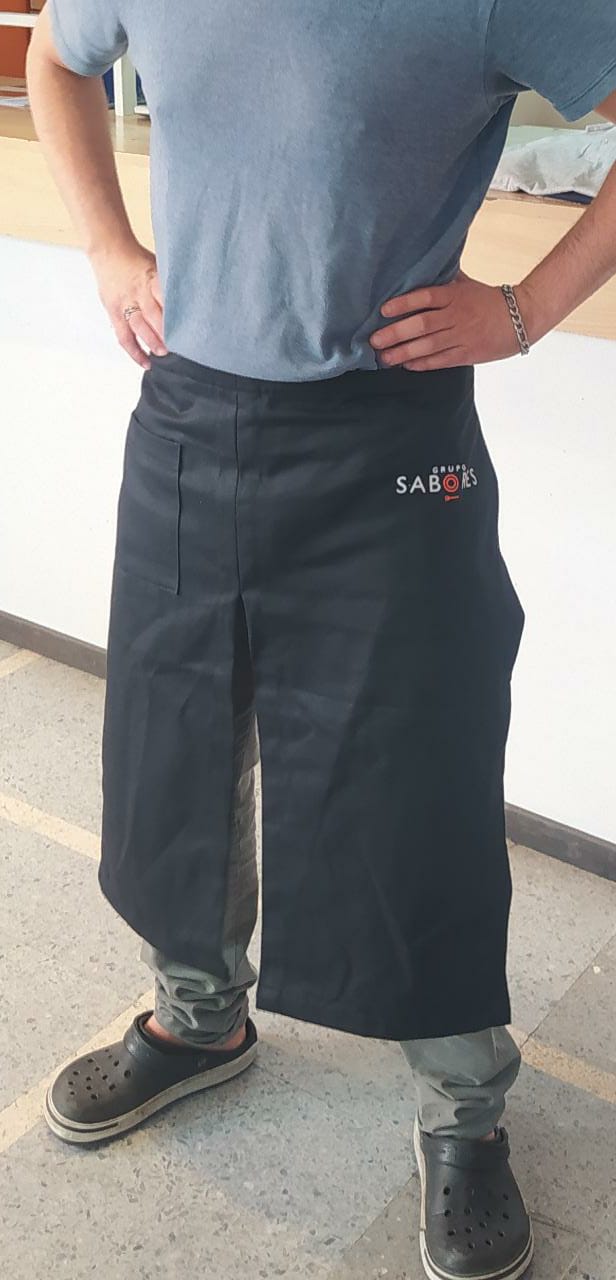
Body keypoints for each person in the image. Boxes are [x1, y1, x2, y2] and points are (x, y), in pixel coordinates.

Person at [27, 3, 616, 1277]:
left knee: (415, 780)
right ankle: (198, 1020)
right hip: (190, 414)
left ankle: (463, 1108)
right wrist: (112, 252)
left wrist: (524, 309)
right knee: (174, 745)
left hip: (388, 437)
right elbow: (55, 58)